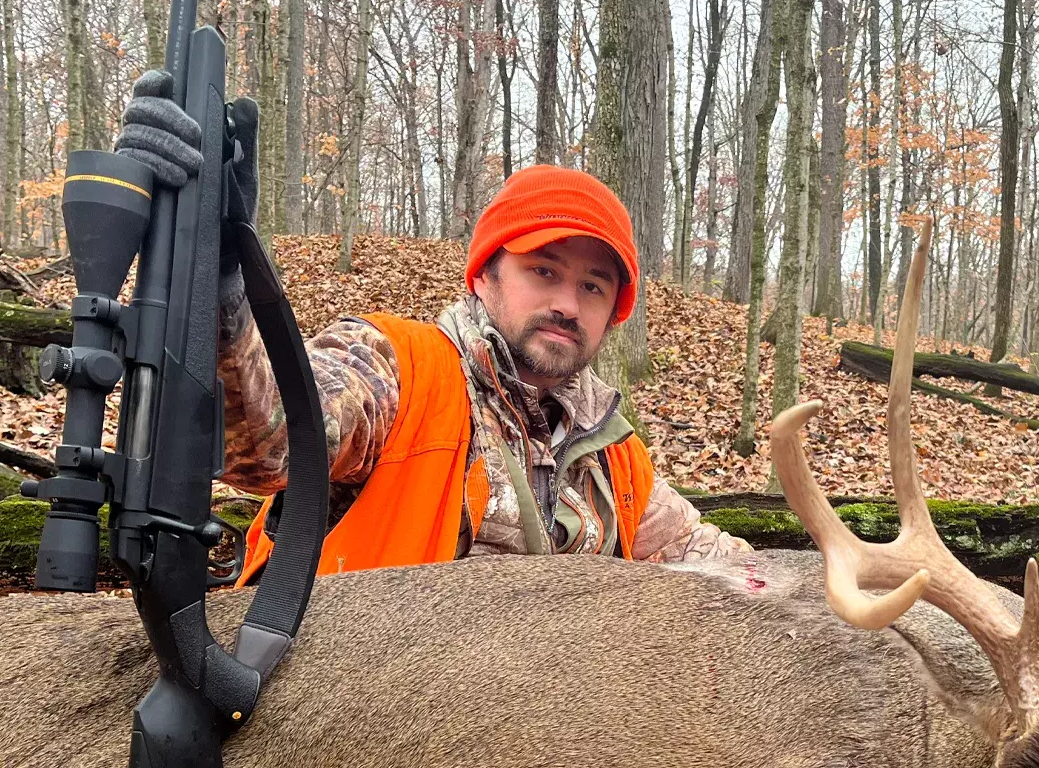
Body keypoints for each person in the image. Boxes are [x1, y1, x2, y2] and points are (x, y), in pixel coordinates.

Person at [115, 73, 750, 575]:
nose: (568, 304)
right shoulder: (398, 369)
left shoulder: (614, 454)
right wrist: (220, 280)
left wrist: (834, 573)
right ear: (483, 276)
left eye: (593, 286)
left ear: (613, 313)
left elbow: (715, 564)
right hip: (358, 713)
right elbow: (269, 444)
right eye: (544, 272)